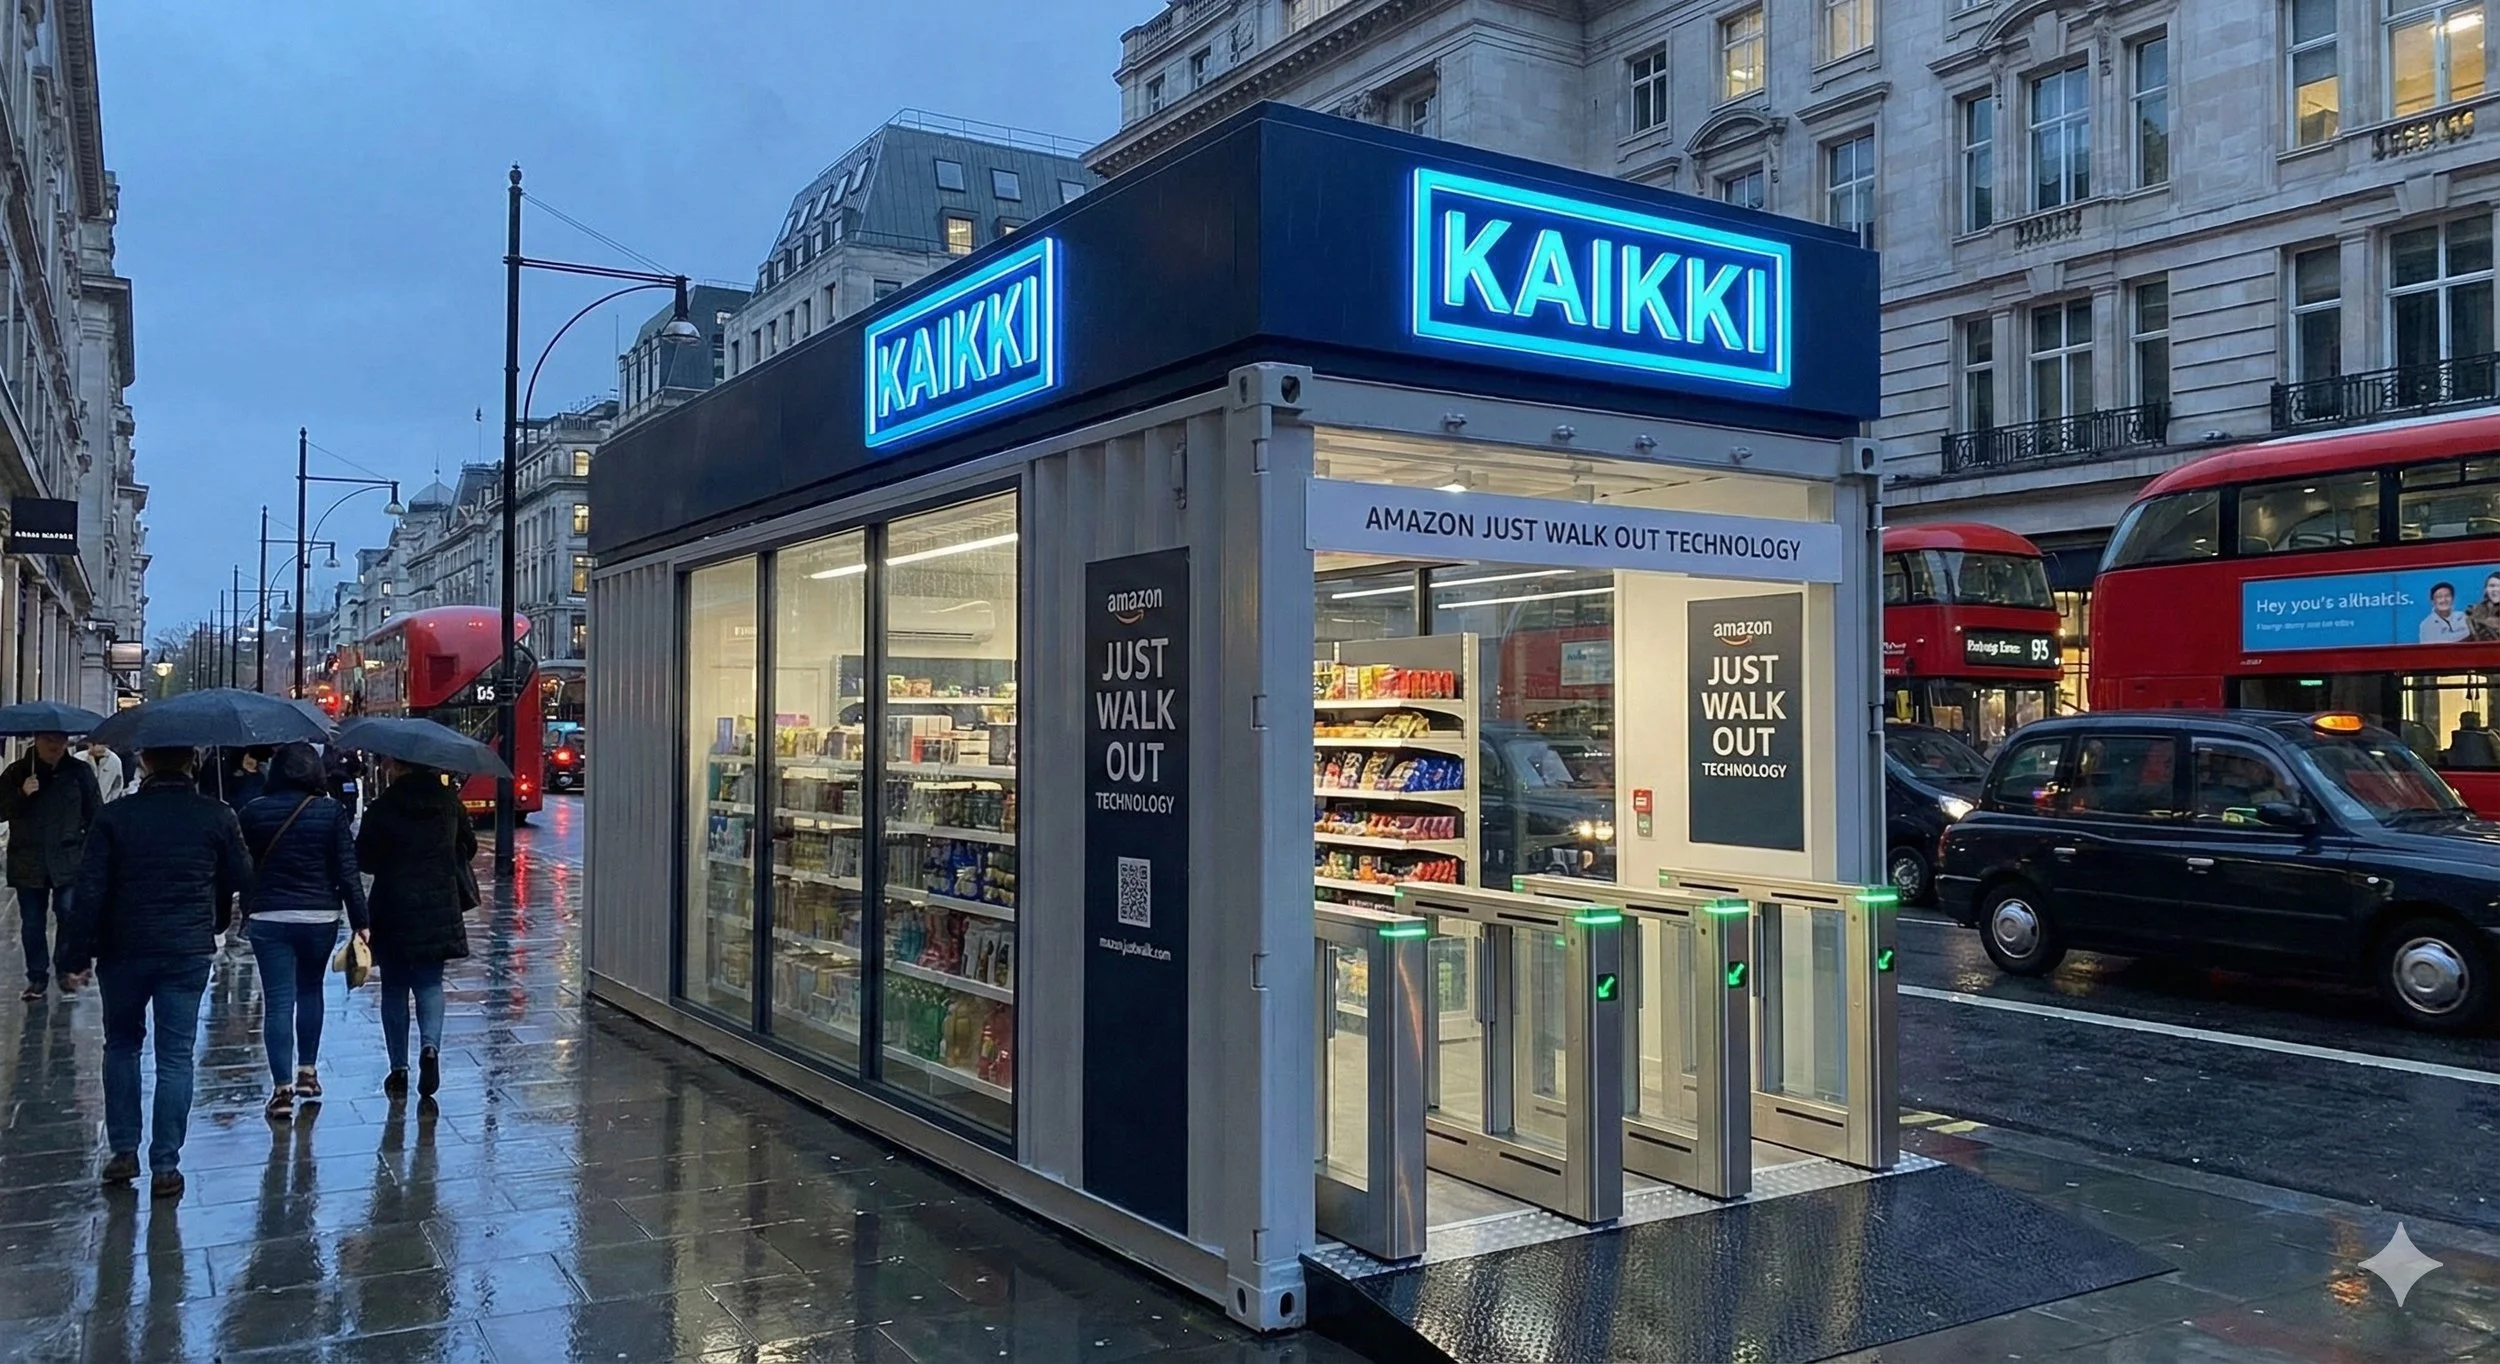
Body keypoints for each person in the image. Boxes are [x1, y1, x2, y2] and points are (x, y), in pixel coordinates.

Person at [54, 747, 252, 1199]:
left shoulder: (114, 817)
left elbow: (90, 890)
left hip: (123, 948)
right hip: (185, 948)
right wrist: (218, 917)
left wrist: (75, 954)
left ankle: (124, 1149)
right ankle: (166, 1163)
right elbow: (241, 877)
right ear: (191, 763)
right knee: (176, 1056)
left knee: (121, 1045)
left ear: (143, 762)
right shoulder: (215, 814)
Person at [237, 744, 367, 1120]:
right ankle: (308, 1072)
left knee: (278, 1000)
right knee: (310, 990)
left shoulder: (253, 812)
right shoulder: (329, 813)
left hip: (268, 917)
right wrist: (361, 920)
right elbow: (347, 870)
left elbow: (242, 867)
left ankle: (281, 1090)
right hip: (319, 916)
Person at [357, 758, 475, 1100]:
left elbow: (364, 859)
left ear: (398, 765)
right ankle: (430, 1048)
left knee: (394, 988)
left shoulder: (383, 806)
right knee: (429, 982)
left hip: (393, 905)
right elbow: (468, 847)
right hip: (439, 905)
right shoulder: (449, 803)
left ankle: (398, 1068)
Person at [1, 732, 103, 1002]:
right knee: (32, 923)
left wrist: (93, 851)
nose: (54, 745)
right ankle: (37, 976)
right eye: (48, 739)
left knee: (69, 915)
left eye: (60, 739)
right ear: (36, 740)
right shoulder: (17, 772)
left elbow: (96, 813)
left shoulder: (79, 772)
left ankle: (64, 969)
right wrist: (22, 794)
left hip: (68, 858)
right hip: (28, 859)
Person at [76, 738, 127, 803]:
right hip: (80, 805)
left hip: (105, 806)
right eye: (94, 743)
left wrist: (111, 803)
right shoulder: (78, 758)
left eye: (101, 743)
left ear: (107, 745)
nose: (97, 747)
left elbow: (117, 786)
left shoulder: (115, 761)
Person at [2469, 572, 2500, 643]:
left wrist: (2484, 622)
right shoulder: (2474, 611)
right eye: (2492, 586)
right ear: (2485, 589)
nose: (2496, 589)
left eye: (2499, 586)